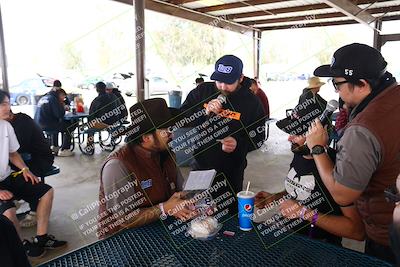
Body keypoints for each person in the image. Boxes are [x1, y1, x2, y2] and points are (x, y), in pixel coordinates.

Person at [306, 43, 399, 263]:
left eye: (337, 84)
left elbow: (342, 194)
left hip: (388, 234)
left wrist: (317, 148)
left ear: (363, 84)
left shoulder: (364, 128)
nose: (336, 91)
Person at [97, 98, 195, 239]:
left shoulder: (167, 154)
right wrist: (164, 208)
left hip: (157, 226)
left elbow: (179, 191)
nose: (171, 135)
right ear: (146, 138)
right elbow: (124, 218)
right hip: (121, 238)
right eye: (166, 131)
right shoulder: (117, 165)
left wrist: (189, 203)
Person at [179, 55, 266, 195]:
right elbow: (181, 118)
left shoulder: (251, 102)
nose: (223, 87)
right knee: (195, 207)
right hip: (201, 163)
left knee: (229, 210)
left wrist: (238, 143)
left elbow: (259, 137)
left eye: (229, 82)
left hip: (232, 168)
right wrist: (203, 112)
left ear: (241, 78)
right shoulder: (202, 92)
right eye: (219, 81)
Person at [255, 134, 365, 245]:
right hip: (287, 230)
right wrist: (275, 197)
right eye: (291, 133)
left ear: (318, 132)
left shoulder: (339, 166)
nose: (290, 139)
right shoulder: (300, 152)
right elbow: (298, 191)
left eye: (297, 134)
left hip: (319, 243)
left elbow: (357, 231)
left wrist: (303, 212)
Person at [0, 90, 67, 258]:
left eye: (8, 103)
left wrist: (25, 170)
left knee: (46, 191)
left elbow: (13, 153)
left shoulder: (6, 126)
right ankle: (20, 249)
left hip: (9, 175)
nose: (8, 108)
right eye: (3, 104)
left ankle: (41, 239)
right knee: (9, 214)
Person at [34, 88, 75, 156]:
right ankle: (64, 149)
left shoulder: (45, 97)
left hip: (38, 124)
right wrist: (63, 107)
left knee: (59, 123)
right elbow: (59, 114)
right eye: (63, 97)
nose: (63, 99)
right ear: (60, 95)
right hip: (47, 125)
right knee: (70, 125)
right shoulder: (54, 99)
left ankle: (54, 146)